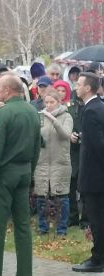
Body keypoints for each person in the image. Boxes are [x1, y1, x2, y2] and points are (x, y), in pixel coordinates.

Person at [0, 73, 41, 276]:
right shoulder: (33, 111)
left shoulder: (2, 114)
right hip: (24, 172)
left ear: (8, 90)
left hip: (3, 176)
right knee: (23, 227)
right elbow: (36, 147)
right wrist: (29, 172)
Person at [72, 72, 104, 273]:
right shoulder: (99, 106)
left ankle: (98, 259)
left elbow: (97, 146)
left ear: (88, 88)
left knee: (97, 220)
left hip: (95, 177)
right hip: (98, 175)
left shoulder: (91, 110)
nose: (75, 87)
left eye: (78, 84)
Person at [34, 89, 73, 236]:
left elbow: (66, 134)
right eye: (47, 102)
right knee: (41, 196)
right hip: (42, 162)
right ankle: (43, 228)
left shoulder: (66, 116)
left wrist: (54, 120)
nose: (49, 105)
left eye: (52, 102)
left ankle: (61, 229)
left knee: (61, 196)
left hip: (60, 162)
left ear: (59, 102)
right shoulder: (40, 117)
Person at [67, 96, 89, 229]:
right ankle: (72, 217)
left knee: (86, 187)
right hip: (72, 151)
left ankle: (85, 219)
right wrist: (70, 134)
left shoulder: (93, 105)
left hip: (87, 150)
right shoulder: (69, 107)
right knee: (71, 184)